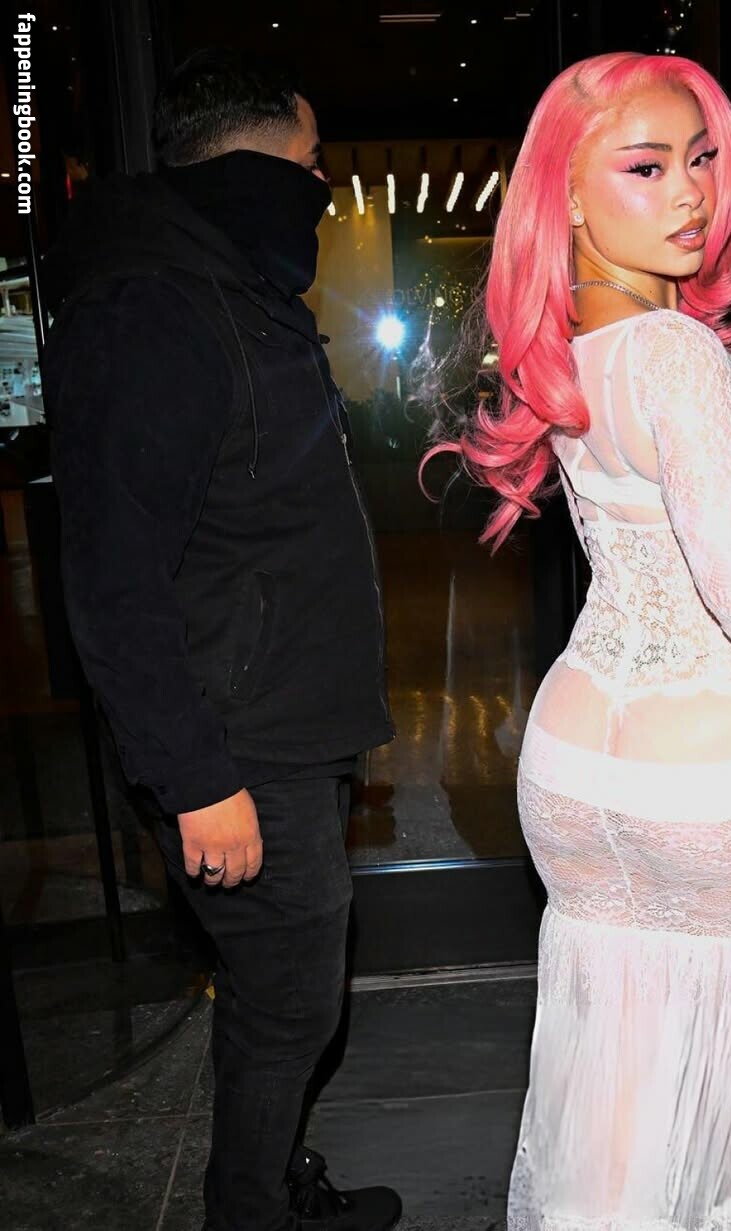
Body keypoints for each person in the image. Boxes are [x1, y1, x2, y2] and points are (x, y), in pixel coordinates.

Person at [426, 52, 731, 1227]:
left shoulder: (575, 345)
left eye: (702, 159)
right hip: (720, 765)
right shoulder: (674, 351)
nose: (690, 191)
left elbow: (663, 526)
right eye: (647, 165)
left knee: (613, 1085)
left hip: (580, 763)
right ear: (569, 195)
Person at [41, 48, 400, 1231]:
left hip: (280, 728)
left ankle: (267, 1185)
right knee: (291, 1000)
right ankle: (250, 1211)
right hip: (236, 748)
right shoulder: (154, 309)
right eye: (311, 161)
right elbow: (111, 579)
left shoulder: (229, 288)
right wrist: (196, 781)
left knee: (287, 995)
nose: (322, 184)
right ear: (256, 165)